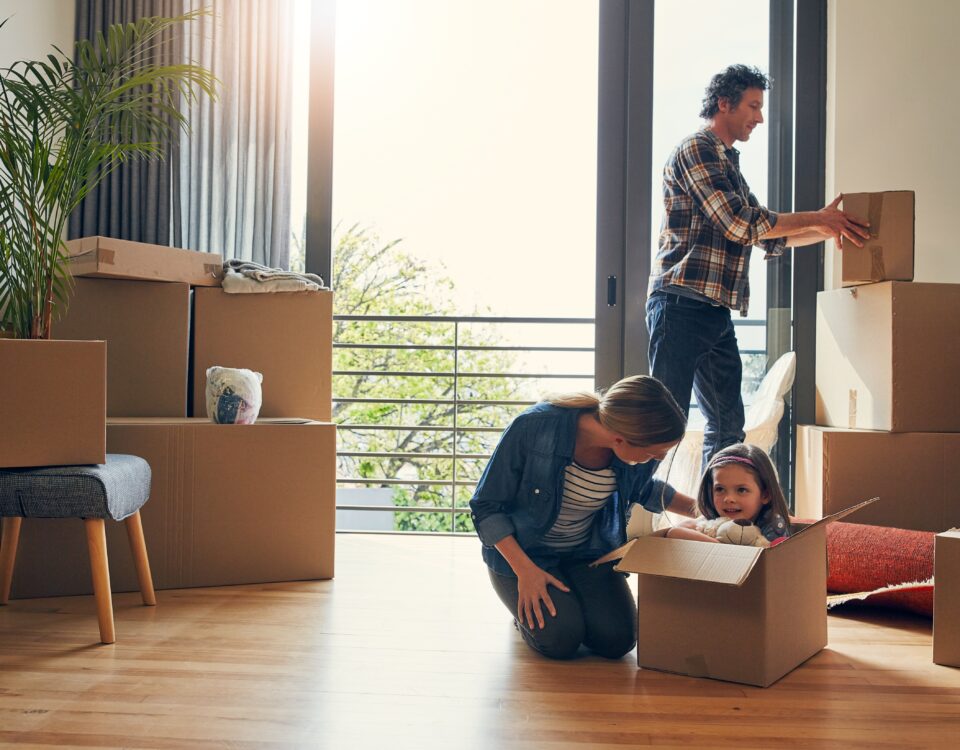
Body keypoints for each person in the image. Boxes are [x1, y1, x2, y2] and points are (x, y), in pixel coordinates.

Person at [646, 63, 871, 468]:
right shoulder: (696, 149)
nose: (760, 117)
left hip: (713, 310)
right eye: (753, 105)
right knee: (661, 426)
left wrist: (828, 227)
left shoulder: (728, 163)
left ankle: (716, 518)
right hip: (679, 305)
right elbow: (740, 223)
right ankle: (630, 516)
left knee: (729, 427)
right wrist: (819, 219)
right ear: (724, 103)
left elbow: (769, 233)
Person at [468, 374, 696, 660]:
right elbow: (485, 506)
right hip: (525, 557)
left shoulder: (630, 455)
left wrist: (704, 511)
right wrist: (525, 572)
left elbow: (645, 490)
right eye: (654, 453)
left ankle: (572, 599)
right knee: (561, 639)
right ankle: (526, 613)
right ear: (619, 438)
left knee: (618, 640)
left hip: (586, 554)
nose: (659, 459)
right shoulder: (533, 427)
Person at [662, 443, 791, 545]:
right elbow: (674, 533)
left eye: (741, 490)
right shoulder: (714, 520)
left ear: (765, 495)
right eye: (720, 489)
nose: (729, 499)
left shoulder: (773, 524)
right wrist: (721, 549)